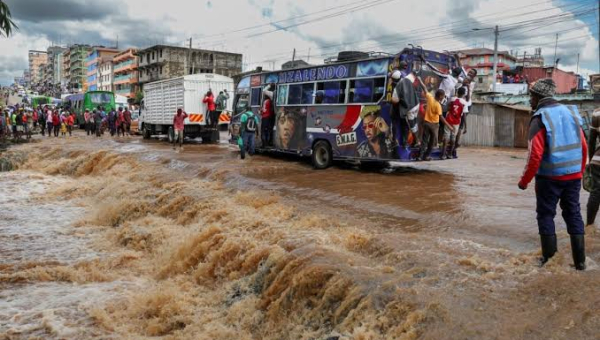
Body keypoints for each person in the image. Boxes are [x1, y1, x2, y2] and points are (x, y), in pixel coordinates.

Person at [518, 78, 587, 271]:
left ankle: (549, 261)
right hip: (573, 176)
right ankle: (580, 263)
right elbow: (583, 146)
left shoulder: (540, 118)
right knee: (573, 214)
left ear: (537, 97)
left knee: (546, 215)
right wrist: (580, 172)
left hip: (549, 178)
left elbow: (535, 156)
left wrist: (524, 182)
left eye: (531, 97)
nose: (530, 101)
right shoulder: (572, 113)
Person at [418, 78, 453, 161]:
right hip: (433, 125)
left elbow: (424, 88)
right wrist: (449, 126)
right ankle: (426, 156)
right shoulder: (438, 105)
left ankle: (420, 156)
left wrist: (420, 80)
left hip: (426, 123)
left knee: (424, 141)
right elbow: (441, 117)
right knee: (432, 142)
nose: (444, 97)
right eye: (443, 96)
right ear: (440, 96)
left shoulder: (430, 98)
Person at [441, 87, 468, 159]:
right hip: (456, 122)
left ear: (457, 92)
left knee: (446, 136)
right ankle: (450, 154)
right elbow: (464, 115)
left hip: (448, 119)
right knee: (453, 137)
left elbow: (447, 108)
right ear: (464, 94)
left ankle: (443, 154)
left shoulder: (452, 99)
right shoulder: (464, 103)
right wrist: (465, 126)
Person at [585, 108, 600, 229]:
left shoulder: (597, 113)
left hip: (597, 161)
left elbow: (591, 141)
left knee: (595, 192)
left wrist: (590, 161)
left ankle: (589, 226)